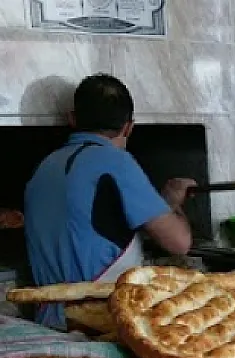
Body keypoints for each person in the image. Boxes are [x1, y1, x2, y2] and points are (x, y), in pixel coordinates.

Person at [24, 73, 195, 329]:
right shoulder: (115, 162)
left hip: (48, 323)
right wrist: (172, 202)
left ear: (72, 119)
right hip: (98, 322)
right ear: (129, 127)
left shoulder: (43, 167)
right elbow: (179, 243)